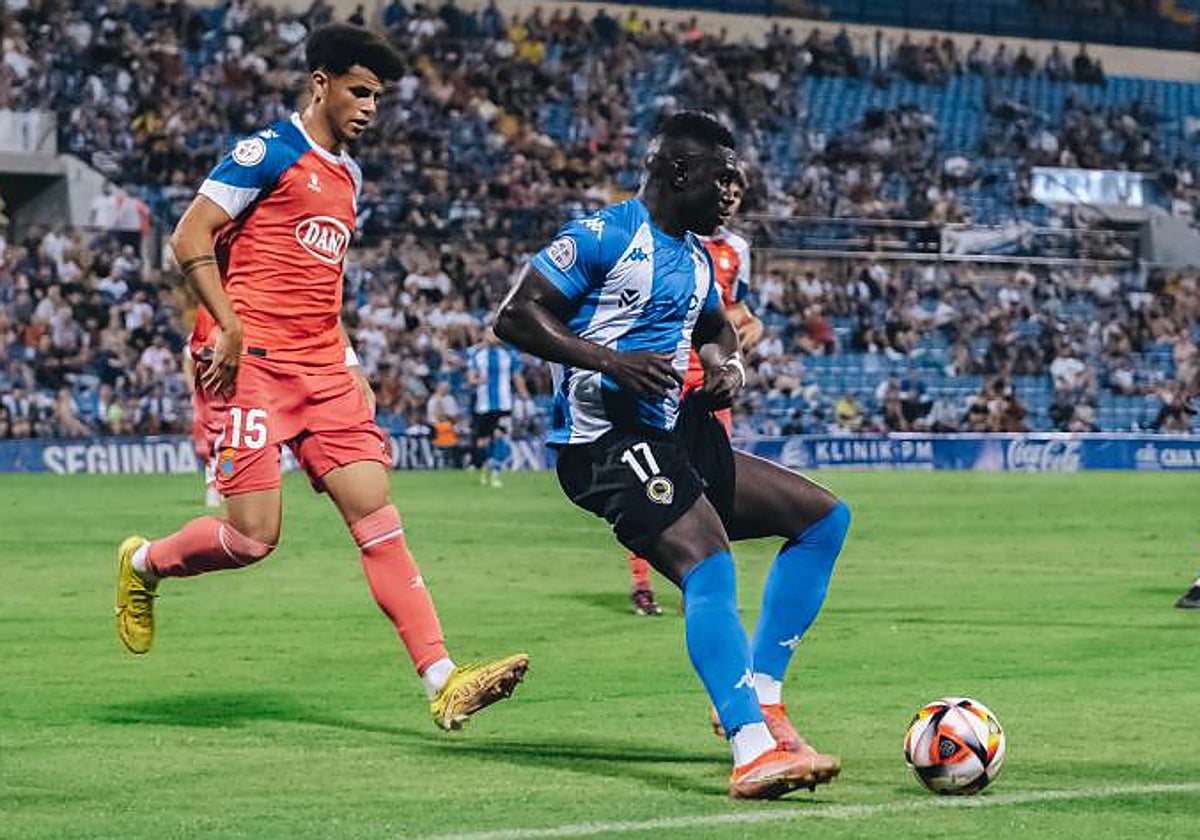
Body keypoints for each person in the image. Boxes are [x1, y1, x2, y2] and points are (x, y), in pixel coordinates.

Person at [113, 24, 528, 731]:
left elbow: (322, 281)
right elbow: (189, 235)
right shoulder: (268, 152)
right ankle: (145, 564)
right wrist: (229, 326)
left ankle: (443, 679)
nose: (370, 107)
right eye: (359, 92)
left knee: (377, 516)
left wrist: (351, 361)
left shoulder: (349, 176)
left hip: (323, 368)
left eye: (378, 97)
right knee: (252, 538)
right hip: (253, 366)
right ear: (320, 84)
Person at [496, 111, 851, 799]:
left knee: (822, 520)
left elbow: (716, 326)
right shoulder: (603, 235)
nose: (734, 191)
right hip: (605, 441)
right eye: (724, 178)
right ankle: (751, 750)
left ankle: (761, 700)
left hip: (676, 431)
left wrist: (726, 365)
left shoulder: (694, 259)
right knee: (708, 563)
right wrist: (609, 361)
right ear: (680, 171)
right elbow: (515, 314)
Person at [623, 169, 761, 617]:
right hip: (667, 377)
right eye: (723, 190)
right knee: (653, 485)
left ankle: (698, 581)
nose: (729, 199)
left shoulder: (738, 250)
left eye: (736, 194)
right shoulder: (671, 238)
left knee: (712, 483)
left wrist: (750, 330)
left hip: (710, 384)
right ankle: (643, 584)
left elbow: (735, 311)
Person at [467, 327, 527, 488]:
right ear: (484, 336)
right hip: (483, 406)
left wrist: (525, 396)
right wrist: (478, 381)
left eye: (494, 333)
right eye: (489, 333)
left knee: (499, 436)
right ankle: (485, 467)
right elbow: (471, 379)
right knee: (483, 441)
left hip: (504, 404)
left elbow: (517, 377)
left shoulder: (509, 355)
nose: (492, 337)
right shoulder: (477, 355)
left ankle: (496, 472)